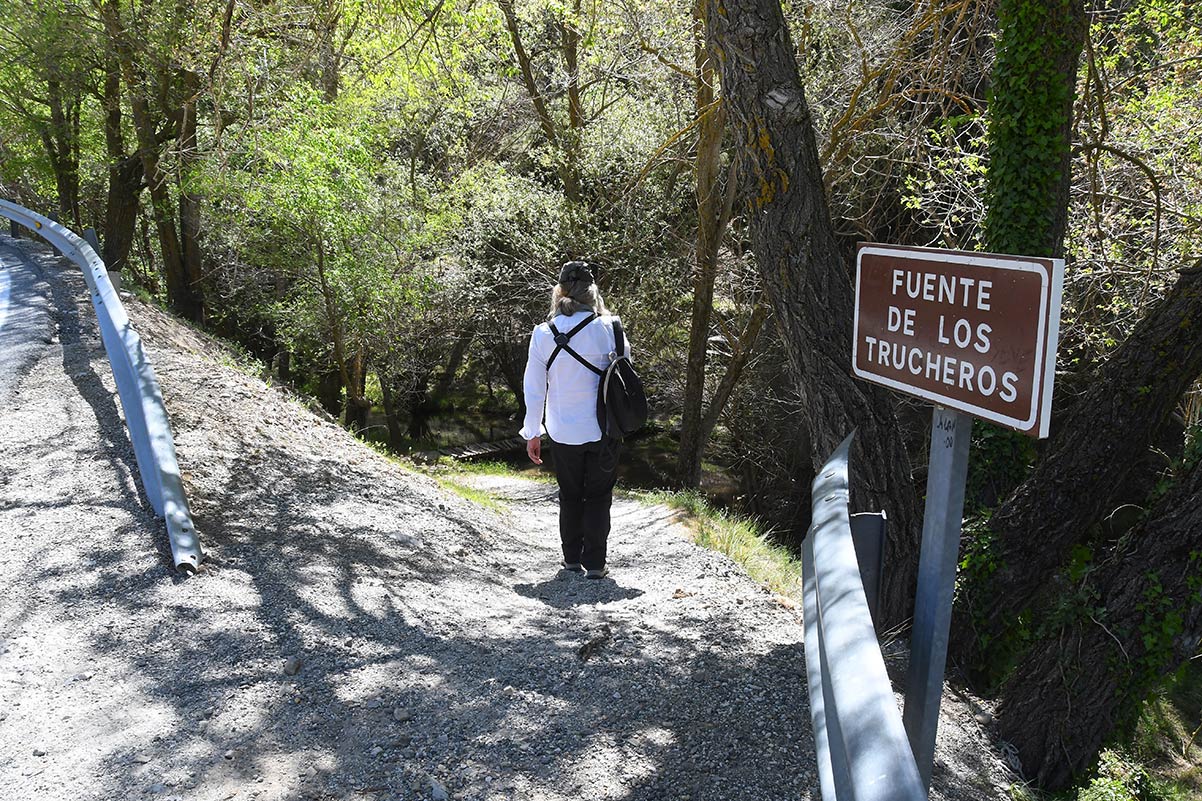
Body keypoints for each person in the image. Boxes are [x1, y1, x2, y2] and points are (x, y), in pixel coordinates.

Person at [519, 260, 631, 579]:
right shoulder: (612, 328)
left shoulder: (543, 333)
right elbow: (625, 378)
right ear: (592, 293)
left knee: (569, 495)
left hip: (562, 430)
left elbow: (534, 388)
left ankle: (571, 559)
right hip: (604, 428)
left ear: (559, 292)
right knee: (598, 496)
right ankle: (595, 564)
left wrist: (533, 432)